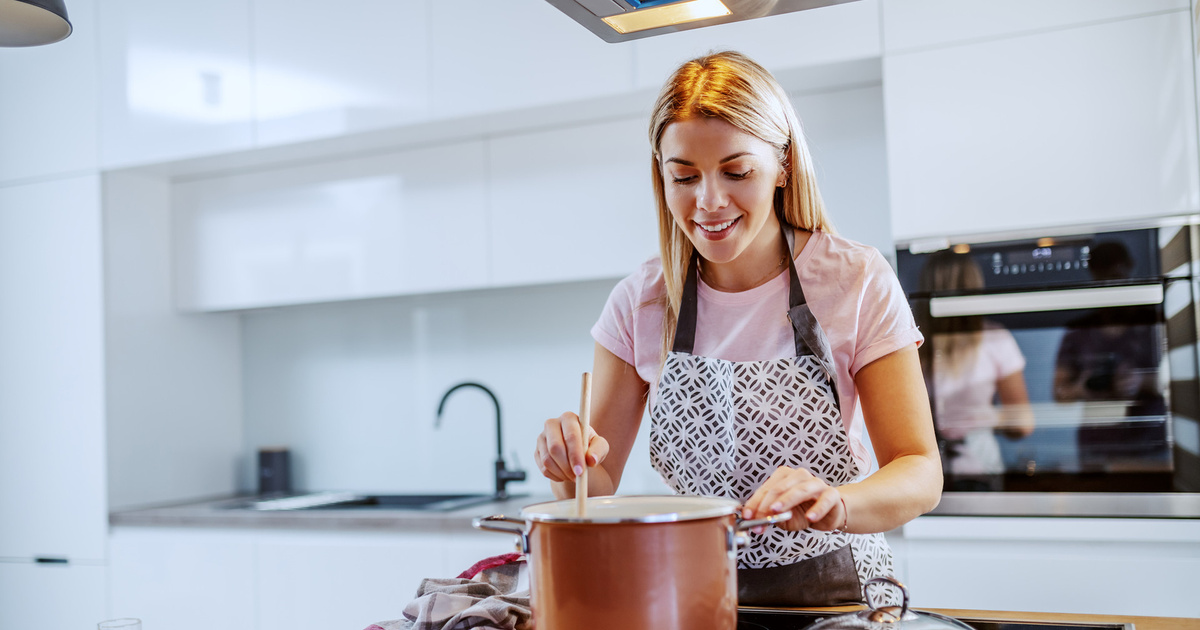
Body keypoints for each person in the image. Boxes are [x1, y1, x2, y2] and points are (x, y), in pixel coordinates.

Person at [532, 51, 942, 607]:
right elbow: (596, 483)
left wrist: (837, 503)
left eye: (737, 171)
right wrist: (567, 465)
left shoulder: (854, 279)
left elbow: (918, 469)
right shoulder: (641, 303)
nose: (708, 202)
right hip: (694, 593)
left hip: (839, 594)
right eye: (683, 176)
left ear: (784, 165)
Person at [915, 251, 1035, 491]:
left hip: (923, 470)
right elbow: (1022, 423)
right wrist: (984, 417)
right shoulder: (995, 340)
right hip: (979, 465)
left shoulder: (911, 344)